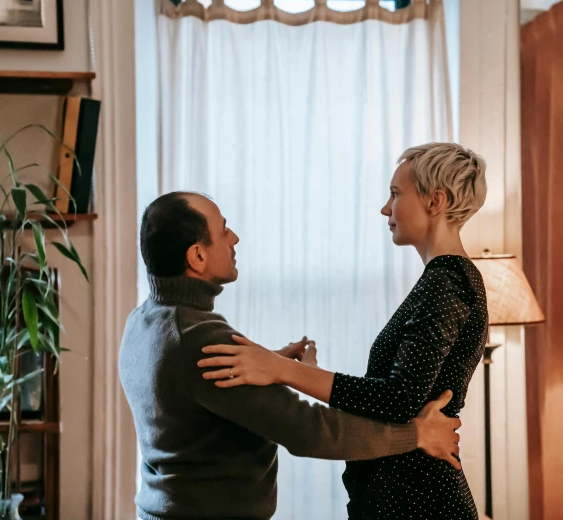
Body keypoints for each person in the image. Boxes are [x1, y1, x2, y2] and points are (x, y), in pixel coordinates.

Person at [118, 191, 463, 520]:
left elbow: (191, 390)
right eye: (223, 230)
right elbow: (311, 430)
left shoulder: (145, 319)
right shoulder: (199, 339)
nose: (234, 238)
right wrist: (418, 435)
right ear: (197, 256)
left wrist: (275, 361)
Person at [199, 142, 489, 519]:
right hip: (403, 491)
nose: (386, 208)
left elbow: (399, 398)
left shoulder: (447, 281)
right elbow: (399, 396)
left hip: (419, 497)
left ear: (435, 201)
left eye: (396, 194)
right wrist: (308, 373)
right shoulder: (443, 280)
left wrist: (281, 369)